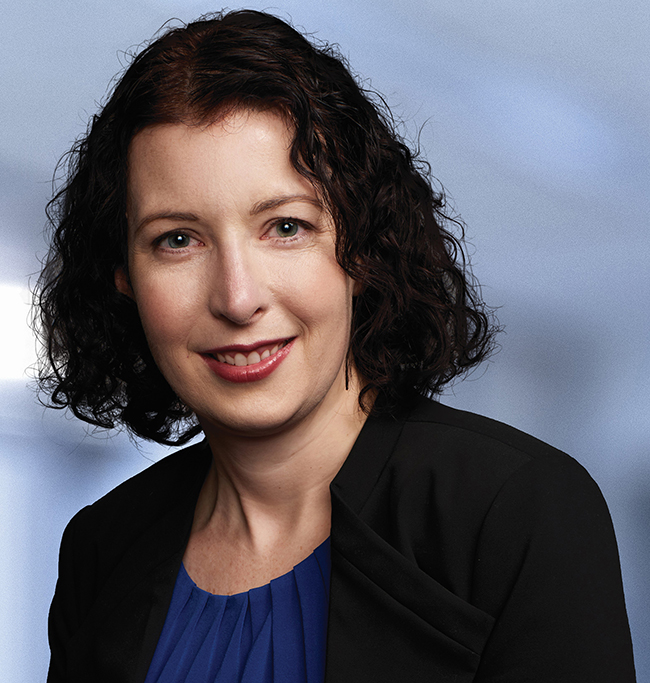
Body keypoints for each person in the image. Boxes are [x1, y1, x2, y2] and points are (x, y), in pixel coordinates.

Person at [37, 9, 636, 683]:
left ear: (360, 247)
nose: (237, 297)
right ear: (123, 276)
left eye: (285, 226)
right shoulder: (102, 547)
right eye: (177, 239)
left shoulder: (516, 510)